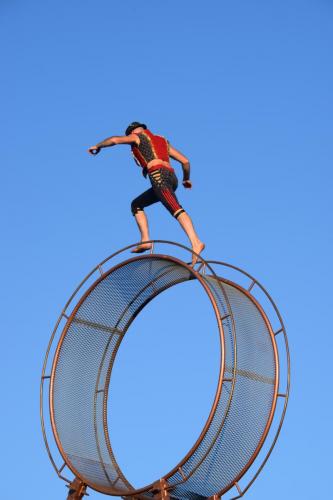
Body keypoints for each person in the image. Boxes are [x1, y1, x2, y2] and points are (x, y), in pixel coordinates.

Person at [88, 122, 205, 264]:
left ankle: (196, 242)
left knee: (176, 208)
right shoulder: (162, 141)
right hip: (172, 179)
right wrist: (186, 179)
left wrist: (98, 145)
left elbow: (114, 140)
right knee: (136, 204)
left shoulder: (137, 137)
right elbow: (185, 162)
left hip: (158, 176)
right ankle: (145, 240)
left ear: (133, 132)